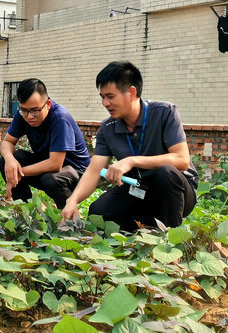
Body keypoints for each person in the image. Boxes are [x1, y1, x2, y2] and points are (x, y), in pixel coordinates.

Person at [61, 61, 198, 231]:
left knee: (164, 172)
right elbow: (94, 170)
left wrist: (132, 161)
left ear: (132, 93)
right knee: (99, 212)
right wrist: (72, 200)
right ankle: (140, 234)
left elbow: (182, 159)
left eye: (110, 96)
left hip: (177, 192)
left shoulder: (164, 112)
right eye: (102, 97)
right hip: (138, 188)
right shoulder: (108, 127)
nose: (105, 103)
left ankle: (170, 240)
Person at [0, 78, 90, 208]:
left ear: (47, 104)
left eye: (35, 110)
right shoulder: (23, 114)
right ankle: (23, 210)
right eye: (24, 110)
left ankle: (69, 218)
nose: (29, 116)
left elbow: (55, 164)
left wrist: (15, 174)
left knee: (50, 179)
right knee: (8, 160)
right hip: (47, 167)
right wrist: (9, 160)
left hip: (76, 174)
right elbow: (7, 142)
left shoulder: (60, 118)